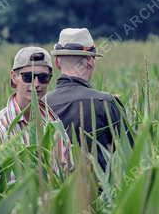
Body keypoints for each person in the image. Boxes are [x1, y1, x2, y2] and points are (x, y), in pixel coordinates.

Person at [45, 28, 129, 170]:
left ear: (57, 63)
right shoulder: (107, 103)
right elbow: (129, 156)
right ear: (90, 60)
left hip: (53, 191)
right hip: (102, 191)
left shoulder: (42, 105)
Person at [0, 47, 72, 174]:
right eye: (28, 77)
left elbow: (69, 172)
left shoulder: (54, 123)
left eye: (43, 77)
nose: (36, 84)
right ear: (14, 77)